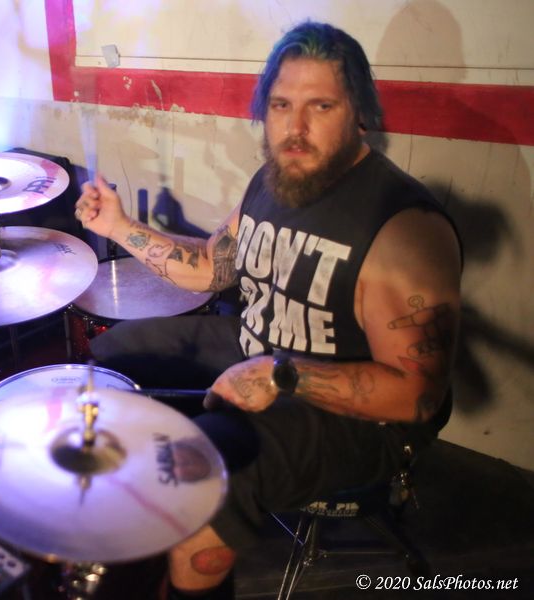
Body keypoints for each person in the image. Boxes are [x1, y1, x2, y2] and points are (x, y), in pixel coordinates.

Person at [74, 21, 461, 599]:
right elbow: (211, 268)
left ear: (359, 112)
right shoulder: (276, 180)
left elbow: (418, 396)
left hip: (357, 418)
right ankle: (130, 530)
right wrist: (119, 226)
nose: (294, 129)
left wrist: (280, 374)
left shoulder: (404, 226)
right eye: (281, 106)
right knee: (106, 360)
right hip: (259, 349)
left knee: (203, 475)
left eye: (320, 106)